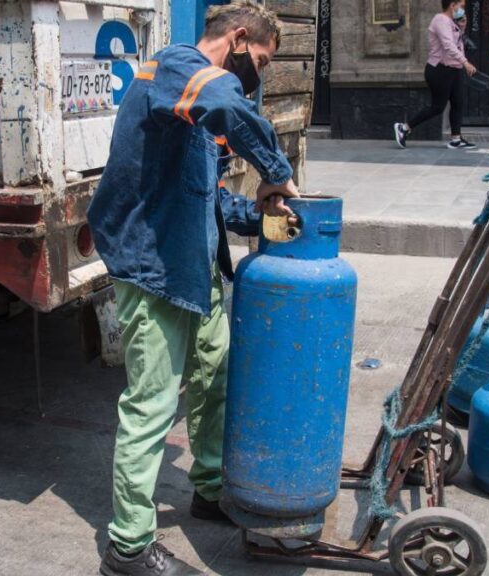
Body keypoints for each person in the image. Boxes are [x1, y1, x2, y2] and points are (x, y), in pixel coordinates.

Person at [86, 2, 299, 575]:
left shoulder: (198, 104)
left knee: (214, 374)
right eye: (259, 59)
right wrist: (276, 171)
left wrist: (259, 216)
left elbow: (205, 197)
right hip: (154, 267)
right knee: (152, 404)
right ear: (235, 40)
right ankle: (127, 548)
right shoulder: (178, 69)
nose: (259, 74)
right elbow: (230, 104)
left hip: (194, 265)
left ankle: (208, 487)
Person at [394, 0, 478, 150]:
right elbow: (448, 45)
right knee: (438, 107)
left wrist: (462, 28)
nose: (463, 10)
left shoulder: (450, 22)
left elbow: (456, 44)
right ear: (453, 5)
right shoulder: (440, 20)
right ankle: (404, 128)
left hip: (454, 69)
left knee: (458, 103)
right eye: (461, 6)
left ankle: (456, 139)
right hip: (440, 70)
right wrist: (466, 62)